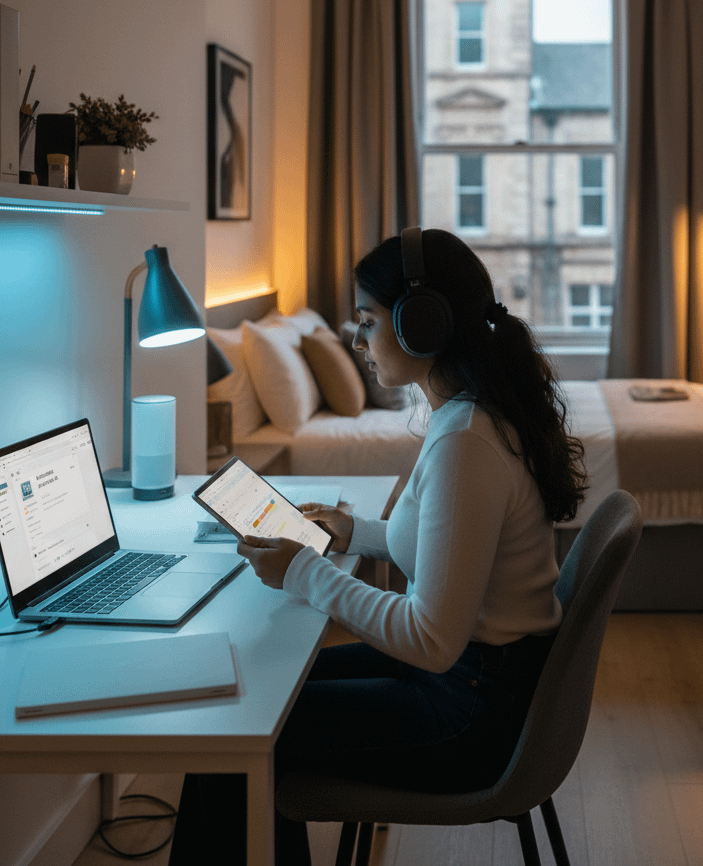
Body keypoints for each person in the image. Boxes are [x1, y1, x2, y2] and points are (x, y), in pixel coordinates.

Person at [168, 228, 587, 864]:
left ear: (422, 324)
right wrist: (355, 533)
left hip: (470, 712)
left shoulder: (466, 441)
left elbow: (430, 639)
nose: (359, 341)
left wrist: (305, 572)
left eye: (366, 322)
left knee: (236, 731)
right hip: (478, 681)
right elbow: (454, 549)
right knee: (249, 697)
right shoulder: (470, 414)